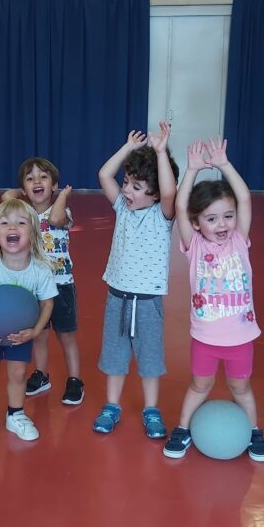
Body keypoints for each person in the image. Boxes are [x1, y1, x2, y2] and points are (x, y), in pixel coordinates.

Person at [162, 138, 264, 461]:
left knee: (241, 389)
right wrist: (192, 170)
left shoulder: (239, 239)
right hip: (206, 337)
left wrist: (224, 165)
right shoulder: (194, 245)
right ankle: (183, 428)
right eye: (211, 219)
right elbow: (180, 207)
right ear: (197, 223)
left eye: (227, 216)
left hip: (241, 338)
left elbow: (245, 197)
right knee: (200, 386)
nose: (221, 224)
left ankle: (254, 432)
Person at [92, 123, 179, 439]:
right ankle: (111, 406)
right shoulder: (122, 208)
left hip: (147, 301)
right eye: (127, 182)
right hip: (117, 296)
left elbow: (169, 192)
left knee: (150, 358)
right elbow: (104, 175)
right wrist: (128, 148)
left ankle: (151, 409)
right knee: (114, 356)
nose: (127, 190)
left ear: (153, 193)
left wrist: (160, 153)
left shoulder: (161, 215)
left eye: (137, 186)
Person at [0, 198, 57, 449]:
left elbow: (47, 304)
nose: (12, 227)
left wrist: (34, 332)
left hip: (21, 335)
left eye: (21, 223)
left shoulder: (40, 270)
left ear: (33, 232)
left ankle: (15, 415)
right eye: (4, 223)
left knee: (18, 374)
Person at [1, 157, 84, 405]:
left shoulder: (63, 211)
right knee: (39, 335)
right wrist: (23, 192)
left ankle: (75, 380)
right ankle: (41, 374)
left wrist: (63, 195)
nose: (37, 181)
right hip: (35, 288)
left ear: (54, 185)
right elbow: (6, 197)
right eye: (30, 179)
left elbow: (56, 218)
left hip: (61, 285)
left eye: (43, 177)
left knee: (66, 336)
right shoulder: (24, 215)